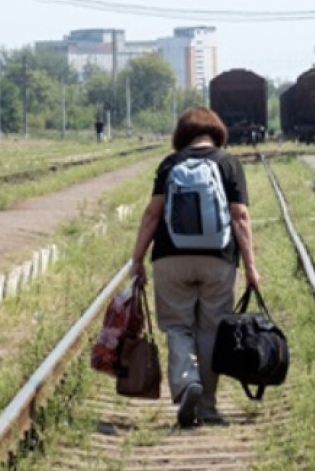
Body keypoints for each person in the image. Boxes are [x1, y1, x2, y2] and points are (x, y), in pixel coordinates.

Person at [129, 106, 261, 427]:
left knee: (177, 326)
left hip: (171, 259)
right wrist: (251, 267)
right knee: (212, 330)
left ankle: (188, 382)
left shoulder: (170, 164)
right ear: (216, 133)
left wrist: (137, 259)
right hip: (218, 260)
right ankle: (208, 406)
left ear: (182, 135)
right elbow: (240, 217)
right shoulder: (229, 164)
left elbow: (152, 214)